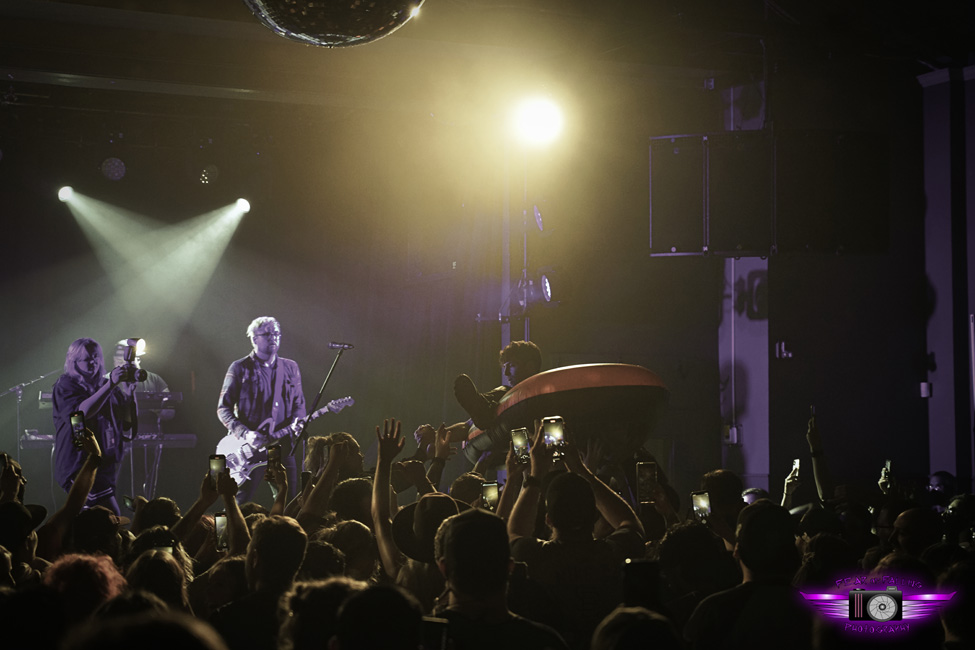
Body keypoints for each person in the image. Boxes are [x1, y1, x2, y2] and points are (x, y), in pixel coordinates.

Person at [217, 317, 307, 505]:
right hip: (248, 447)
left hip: (282, 444)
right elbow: (223, 408)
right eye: (267, 334)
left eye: (276, 334)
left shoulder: (291, 367)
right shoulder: (240, 367)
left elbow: (299, 404)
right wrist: (245, 433)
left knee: (288, 503)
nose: (273, 337)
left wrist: (299, 422)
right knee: (238, 503)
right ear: (254, 339)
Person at [52, 338, 138, 514]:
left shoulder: (105, 385)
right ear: (73, 362)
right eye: (87, 359)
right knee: (112, 517)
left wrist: (129, 393)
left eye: (96, 357)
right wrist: (112, 384)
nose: (93, 362)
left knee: (96, 525)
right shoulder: (66, 385)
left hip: (103, 467)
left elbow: (127, 423)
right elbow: (81, 414)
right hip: (79, 464)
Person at [112, 339, 175, 435]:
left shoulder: (154, 379)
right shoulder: (107, 380)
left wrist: (158, 409)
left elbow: (170, 410)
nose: (124, 363)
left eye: (128, 359)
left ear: (138, 359)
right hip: (119, 437)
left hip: (150, 436)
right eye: (119, 359)